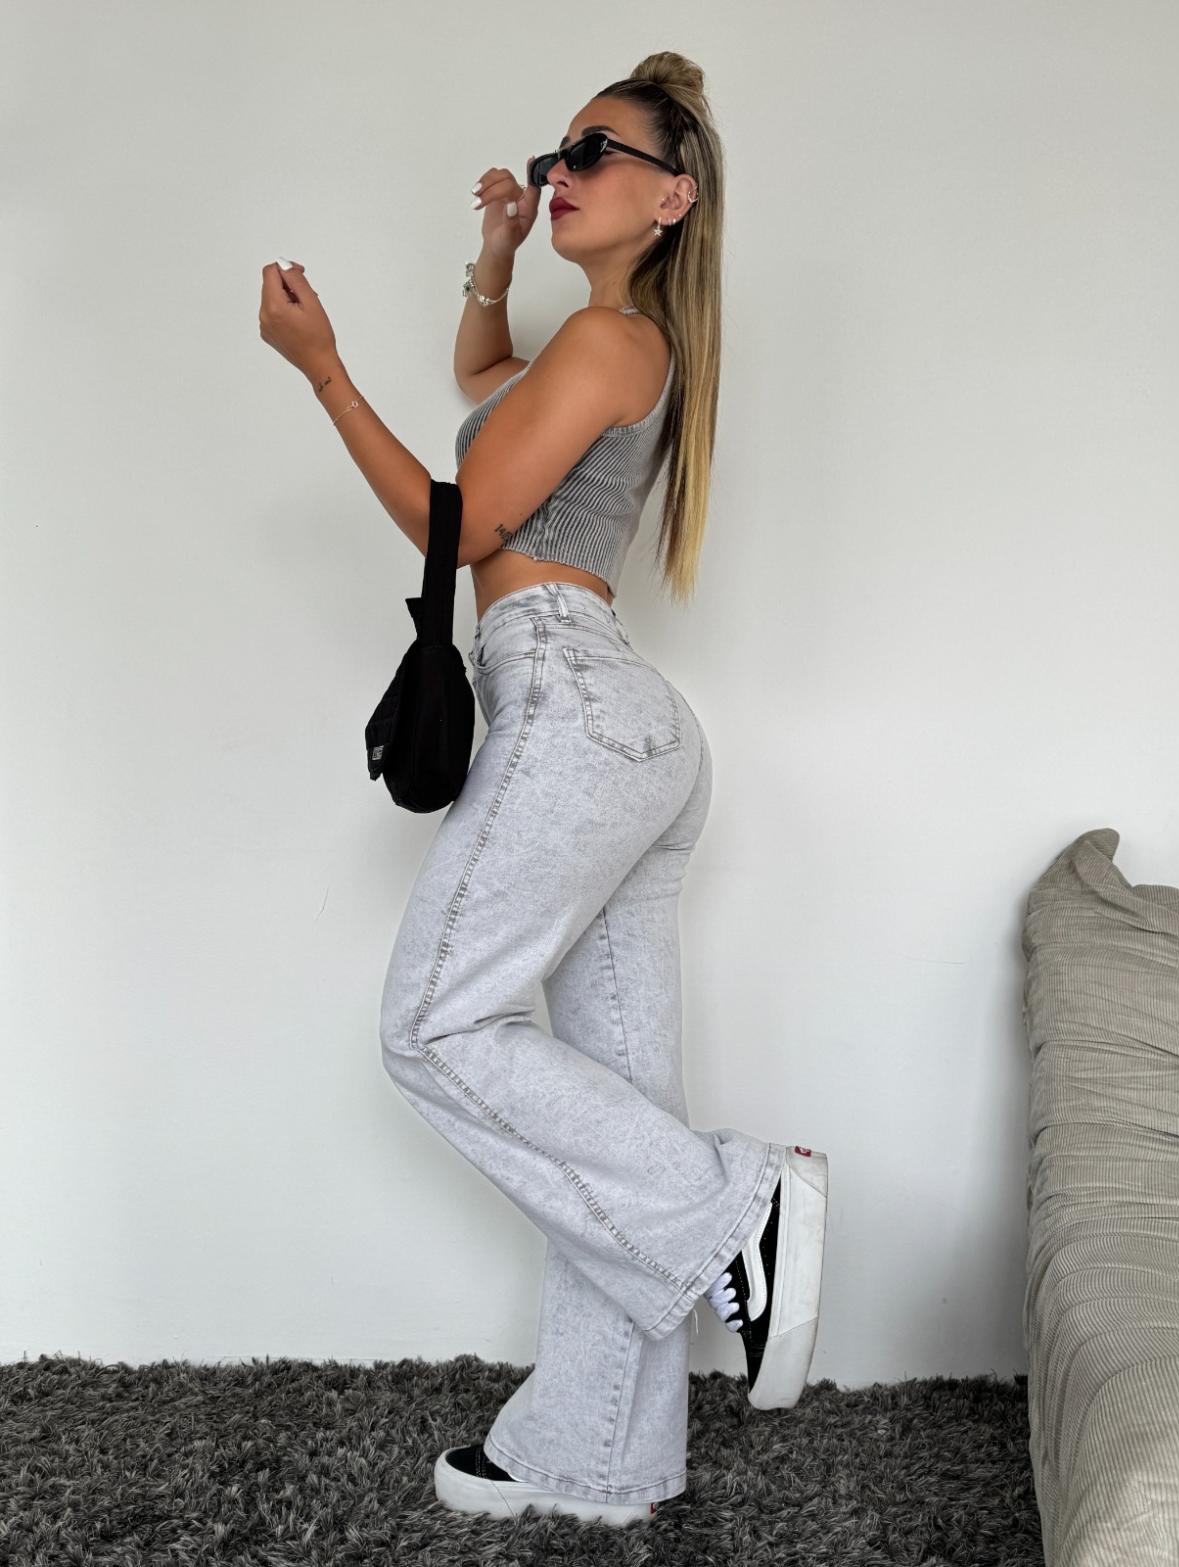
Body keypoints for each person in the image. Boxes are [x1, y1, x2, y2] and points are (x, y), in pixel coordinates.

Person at [377, 52, 830, 1529]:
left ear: (671, 197)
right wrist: (496, 255)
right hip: (620, 722)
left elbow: (461, 521)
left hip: (572, 702)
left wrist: (320, 376)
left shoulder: (613, 340)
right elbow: (479, 385)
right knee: (612, 1102)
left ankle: (738, 1205)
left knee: (436, 1025)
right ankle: (600, 1453)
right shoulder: (607, 350)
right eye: (554, 151)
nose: (560, 171)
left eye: (594, 152)